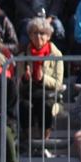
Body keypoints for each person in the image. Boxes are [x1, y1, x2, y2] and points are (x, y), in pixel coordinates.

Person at [19, 17, 64, 153]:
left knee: (45, 105)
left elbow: (58, 83)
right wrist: (26, 79)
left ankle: (44, 142)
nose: (38, 36)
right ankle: (32, 143)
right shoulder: (23, 56)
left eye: (42, 33)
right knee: (25, 106)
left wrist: (43, 78)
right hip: (30, 93)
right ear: (30, 35)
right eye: (34, 33)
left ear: (49, 36)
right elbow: (18, 84)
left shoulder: (56, 55)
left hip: (49, 95)